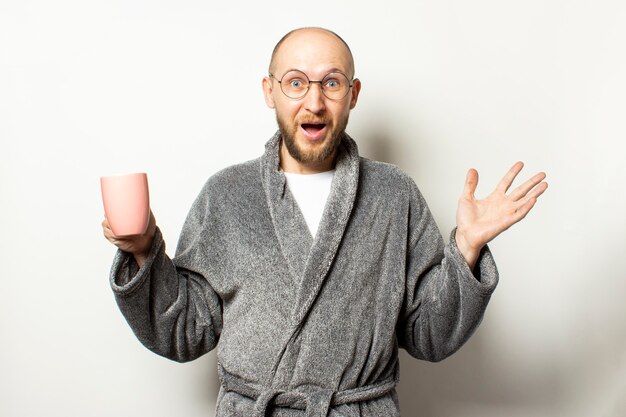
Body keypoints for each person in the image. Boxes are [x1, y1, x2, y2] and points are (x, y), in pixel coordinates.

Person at [102, 27, 548, 417]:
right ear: (269, 90)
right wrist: (143, 252)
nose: (314, 101)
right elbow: (183, 332)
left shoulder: (394, 195)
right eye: (295, 82)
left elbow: (429, 335)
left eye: (331, 83)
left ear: (352, 94)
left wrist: (466, 249)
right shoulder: (225, 195)